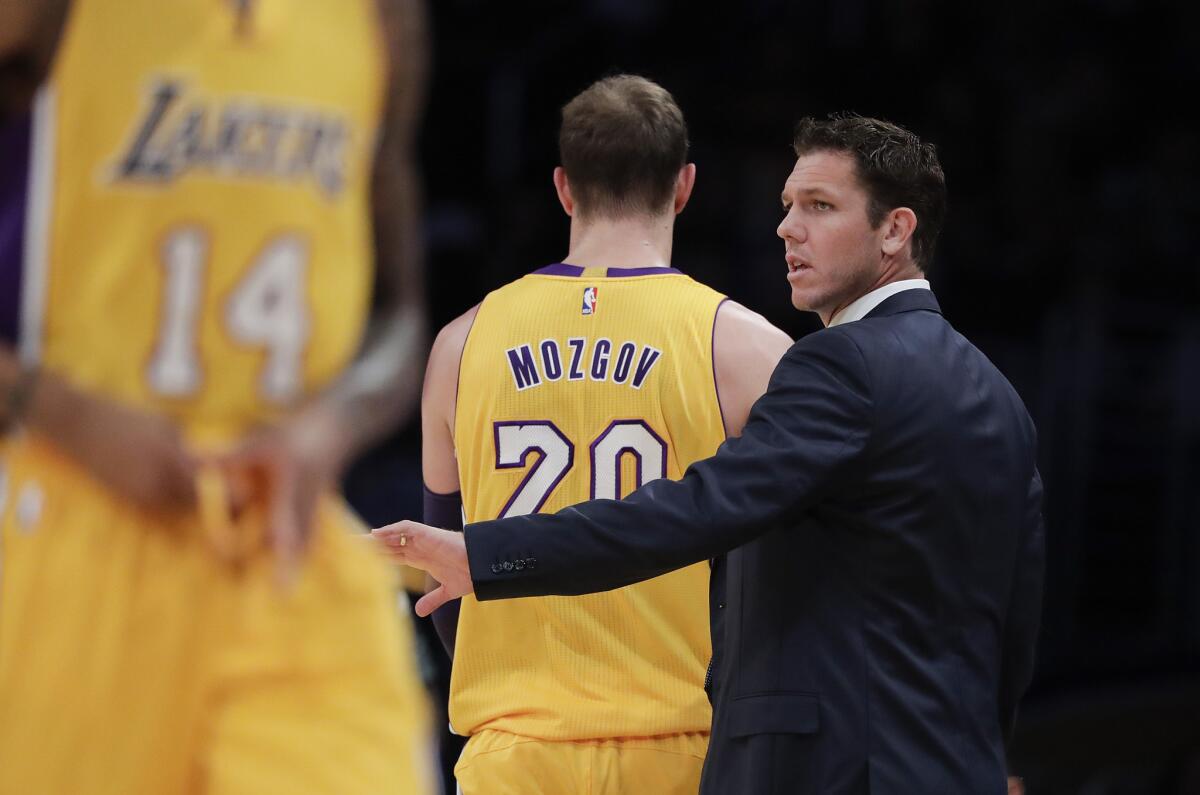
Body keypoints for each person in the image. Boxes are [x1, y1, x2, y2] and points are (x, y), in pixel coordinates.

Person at [377, 113, 1047, 794]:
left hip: (825, 769)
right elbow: (1012, 625)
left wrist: (486, 555)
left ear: (895, 230)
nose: (787, 228)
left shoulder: (838, 367)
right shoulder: (1001, 398)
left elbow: (696, 508)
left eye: (820, 206)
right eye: (788, 206)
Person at [0, 1, 435, 793]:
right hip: (70, 532)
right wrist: (58, 408)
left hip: (285, 538)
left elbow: (398, 313)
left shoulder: (381, 19)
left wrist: (331, 425)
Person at [381, 74, 791, 795]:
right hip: (679, 746)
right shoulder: (744, 345)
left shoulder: (460, 342)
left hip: (514, 748)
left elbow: (445, 568)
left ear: (564, 188)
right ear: (686, 185)